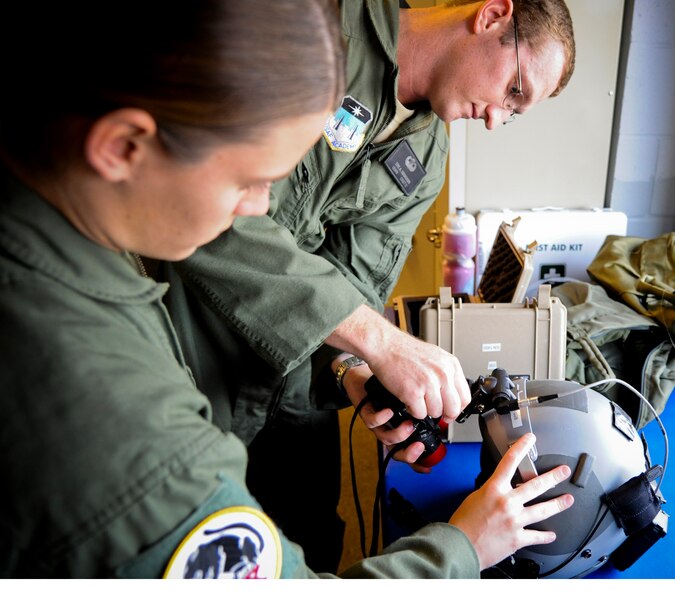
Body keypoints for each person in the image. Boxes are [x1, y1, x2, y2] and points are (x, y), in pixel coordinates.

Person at [0, 0, 575, 579]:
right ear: (493, 16)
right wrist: (463, 549)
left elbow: (354, 283)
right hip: (197, 362)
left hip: (287, 398)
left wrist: (353, 368)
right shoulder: (294, 35)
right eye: (515, 90)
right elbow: (216, 221)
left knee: (310, 536)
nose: (500, 118)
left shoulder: (426, 155)